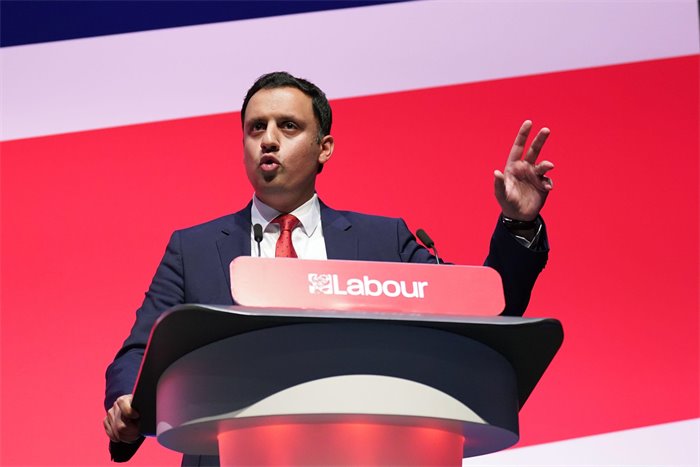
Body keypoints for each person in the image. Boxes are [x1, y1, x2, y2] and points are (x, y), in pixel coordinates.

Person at [103, 71, 554, 465]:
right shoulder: (194, 249)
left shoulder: (383, 242)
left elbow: (484, 309)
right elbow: (138, 352)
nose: (268, 139)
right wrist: (125, 400)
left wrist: (519, 223)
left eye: (288, 126)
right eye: (256, 127)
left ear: (324, 148)